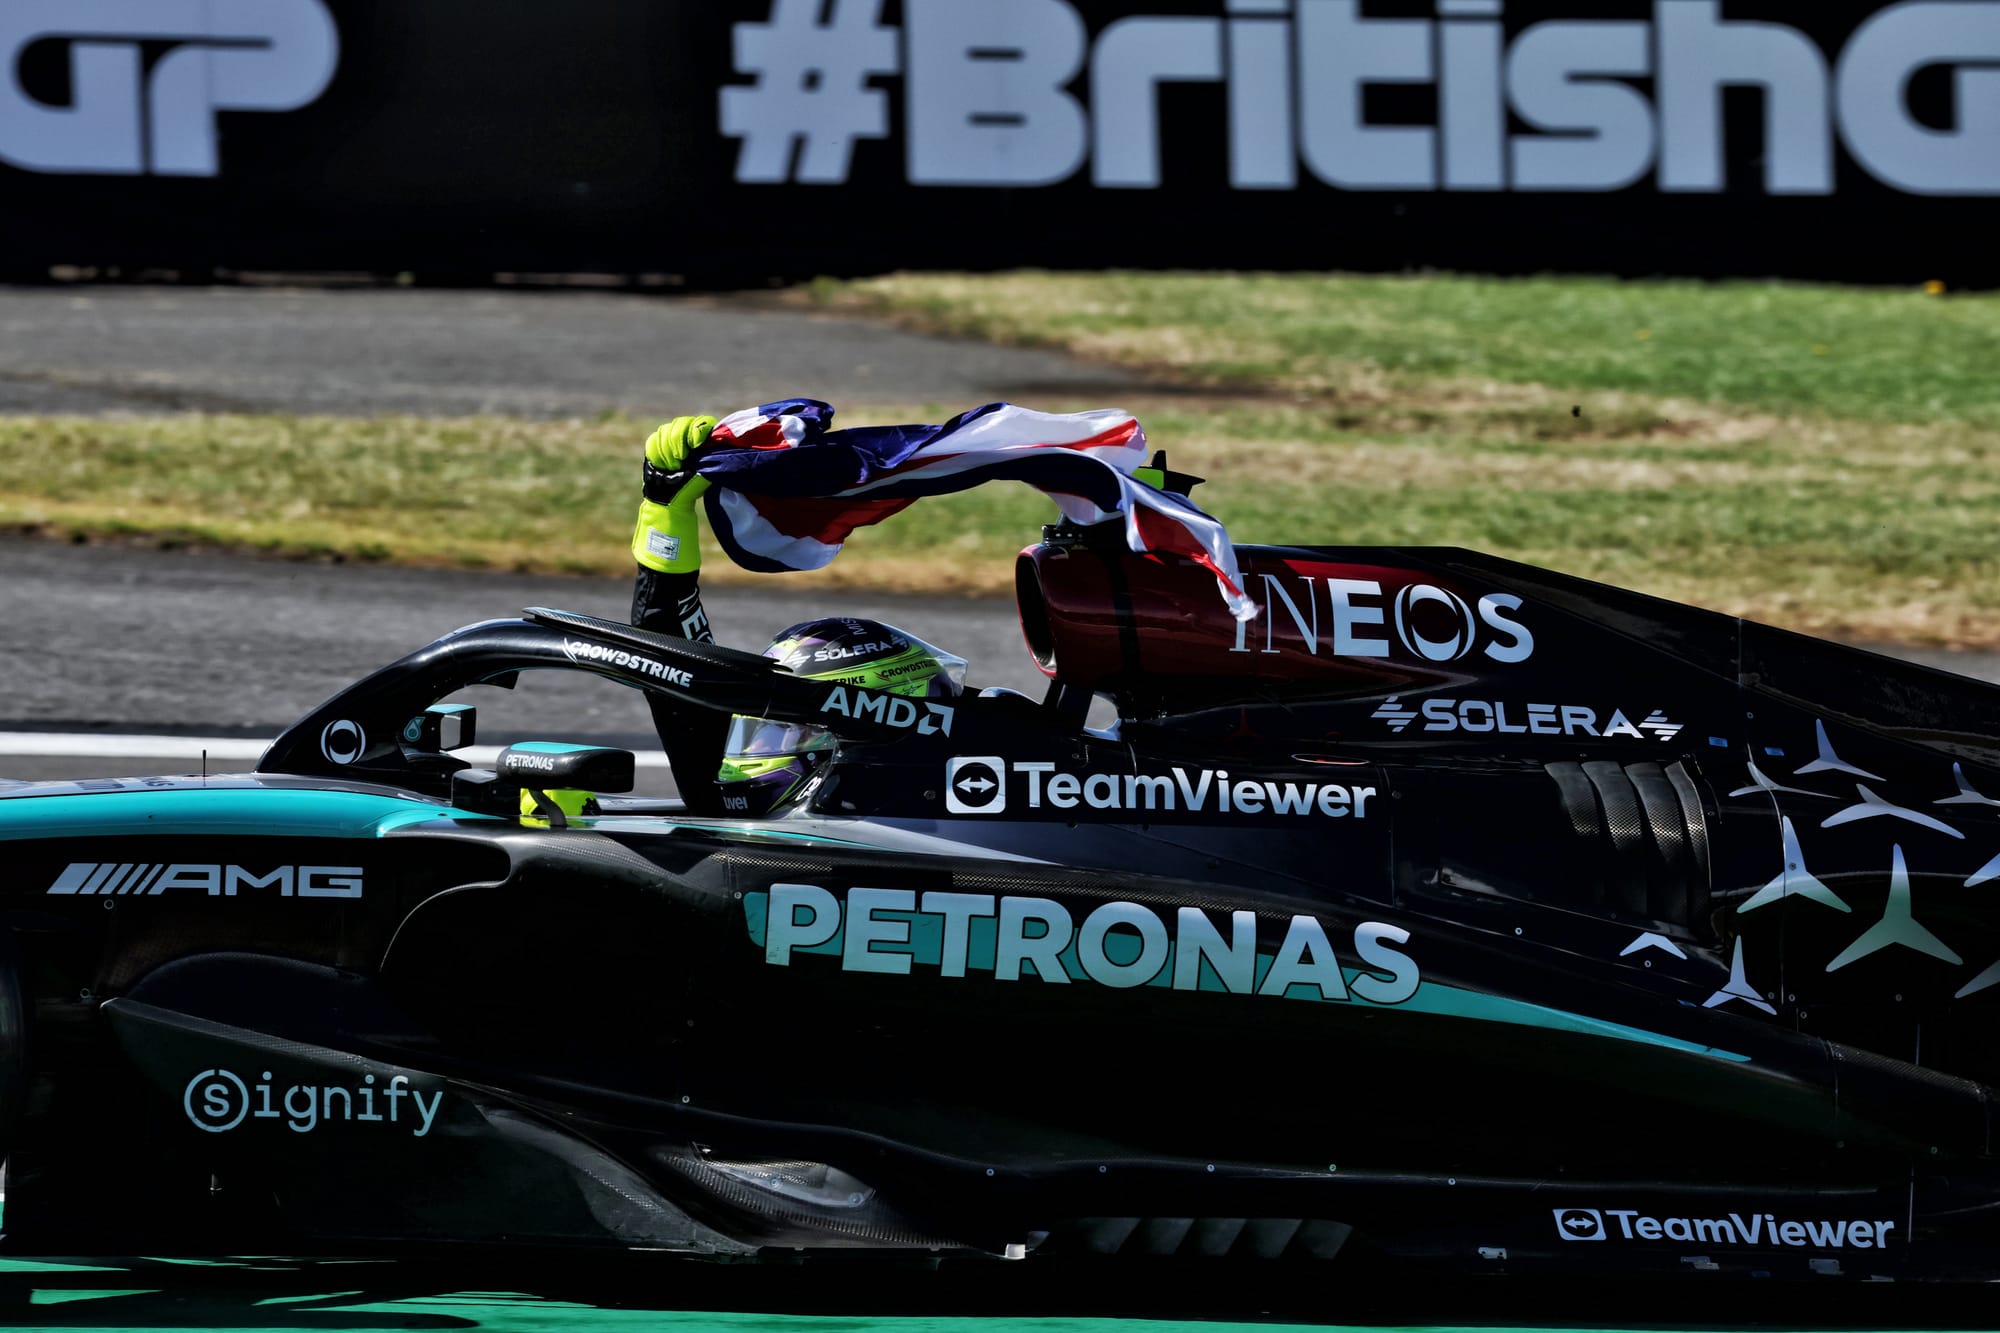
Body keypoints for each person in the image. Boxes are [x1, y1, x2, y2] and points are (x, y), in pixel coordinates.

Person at [628, 416, 966, 818]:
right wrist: (665, 510)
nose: (755, 751)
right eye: (763, 731)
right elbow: (668, 659)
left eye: (785, 733)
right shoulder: (734, 799)